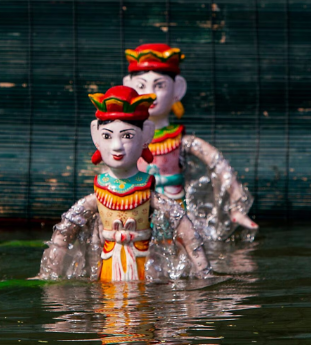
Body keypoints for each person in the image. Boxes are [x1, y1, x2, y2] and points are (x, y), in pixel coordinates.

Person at [38, 86, 211, 282]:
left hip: (146, 270)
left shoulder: (148, 194)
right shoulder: (98, 195)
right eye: (107, 136)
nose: (116, 146)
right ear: (95, 136)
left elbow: (184, 229)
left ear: (146, 136)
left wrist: (203, 272)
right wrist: (49, 275)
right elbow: (64, 233)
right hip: (108, 269)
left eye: (127, 136)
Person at [123, 43, 257, 240]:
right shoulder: (126, 140)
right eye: (141, 86)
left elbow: (218, 163)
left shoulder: (181, 141)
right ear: (128, 87)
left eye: (159, 86)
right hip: (134, 213)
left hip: (174, 214)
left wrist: (236, 204)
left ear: (178, 89)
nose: (150, 94)